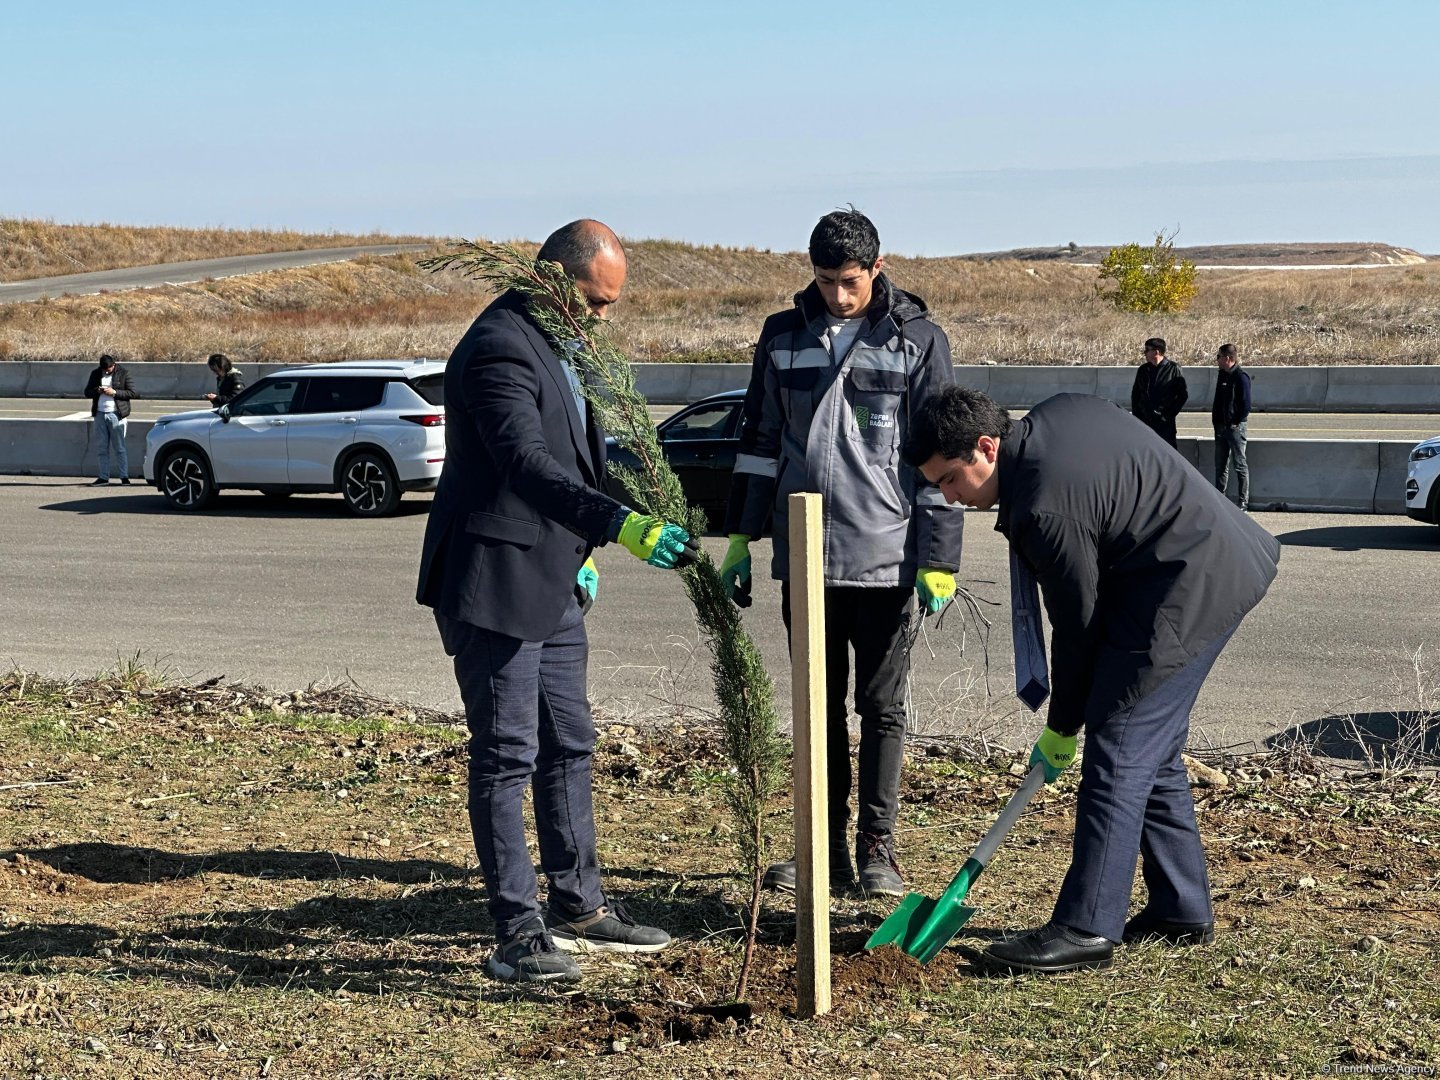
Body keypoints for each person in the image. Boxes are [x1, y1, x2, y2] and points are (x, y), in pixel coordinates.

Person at [902, 386, 1280, 974]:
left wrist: (1063, 726)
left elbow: (1076, 627)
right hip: (1189, 562)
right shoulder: (1053, 415)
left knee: (1120, 743)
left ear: (986, 446)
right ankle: (1181, 905)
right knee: (1149, 747)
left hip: (1192, 579)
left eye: (951, 479)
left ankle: (1086, 926)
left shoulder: (1045, 505)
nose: (951, 497)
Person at [416, 219, 699, 986]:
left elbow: (582, 455)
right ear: (554, 280)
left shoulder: (558, 345)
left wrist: (586, 546)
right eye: (595, 302)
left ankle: (580, 905)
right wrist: (618, 524)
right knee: (507, 756)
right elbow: (525, 464)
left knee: (569, 742)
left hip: (553, 579)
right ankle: (517, 933)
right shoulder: (500, 345)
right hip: (496, 583)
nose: (601, 319)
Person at [719, 207, 964, 898]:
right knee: (814, 707)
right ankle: (820, 849)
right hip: (805, 558)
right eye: (825, 281)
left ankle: (878, 851)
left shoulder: (916, 341)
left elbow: (939, 454)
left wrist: (938, 555)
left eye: (850, 281)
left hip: (886, 557)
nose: (838, 295)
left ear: (877, 269)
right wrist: (741, 536)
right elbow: (760, 441)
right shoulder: (783, 337)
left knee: (880, 709)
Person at [83, 353, 136, 485]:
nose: (106, 371)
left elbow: (132, 393)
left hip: (116, 414)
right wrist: (97, 390)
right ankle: (103, 477)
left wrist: (115, 392)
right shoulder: (96, 373)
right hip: (100, 414)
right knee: (102, 448)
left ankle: (124, 477)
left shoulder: (124, 373)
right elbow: (87, 392)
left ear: (114, 365)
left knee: (119, 448)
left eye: (108, 369)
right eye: (104, 369)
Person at [1212, 343, 1252, 510]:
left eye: (1219, 357)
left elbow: (1246, 404)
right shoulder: (1222, 375)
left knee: (1239, 464)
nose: (1217, 360)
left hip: (1235, 428)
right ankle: (1219, 497)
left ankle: (1243, 501)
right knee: (1220, 464)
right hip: (1220, 426)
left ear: (1227, 358)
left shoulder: (1241, 377)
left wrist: (1236, 421)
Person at [1129, 337, 1188, 447]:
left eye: (1147, 350)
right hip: (1145, 421)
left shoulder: (1174, 369)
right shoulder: (1143, 370)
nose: (1144, 353)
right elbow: (1136, 395)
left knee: (1167, 453)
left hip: (1165, 423)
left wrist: (1167, 416)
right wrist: (1137, 417)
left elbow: (1182, 396)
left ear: (1156, 351)